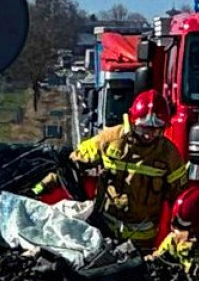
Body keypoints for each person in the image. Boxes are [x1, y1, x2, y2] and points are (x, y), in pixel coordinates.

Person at [34, 90, 188, 254]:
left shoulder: (169, 155)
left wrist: (179, 237)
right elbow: (70, 166)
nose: (149, 135)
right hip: (103, 230)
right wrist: (38, 189)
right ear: (132, 121)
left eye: (156, 129)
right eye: (144, 128)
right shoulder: (110, 139)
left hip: (142, 240)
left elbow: (180, 200)